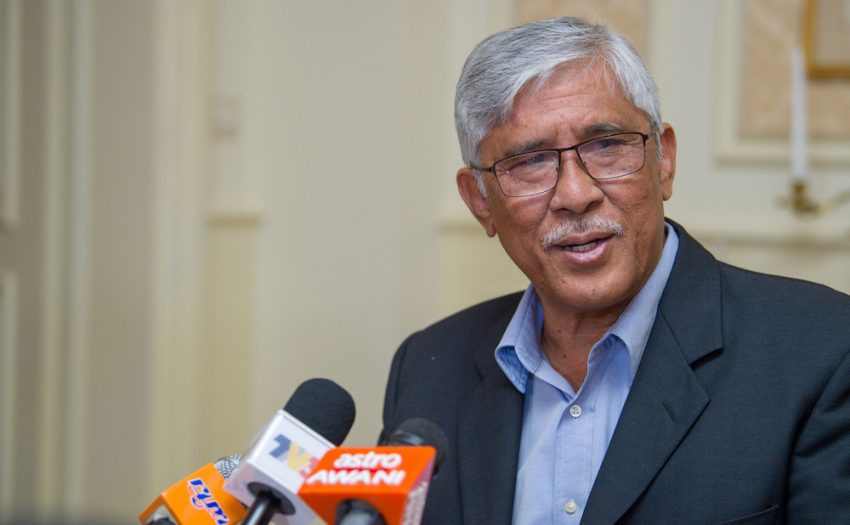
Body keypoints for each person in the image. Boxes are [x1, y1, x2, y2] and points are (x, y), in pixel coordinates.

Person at [380, 16, 850, 525]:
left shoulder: (822, 351)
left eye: (606, 146)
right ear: (480, 202)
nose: (575, 194)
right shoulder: (428, 368)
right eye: (530, 161)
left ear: (664, 161)